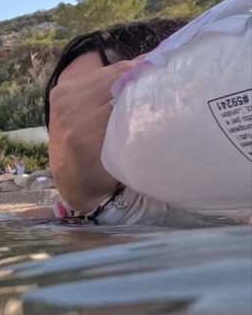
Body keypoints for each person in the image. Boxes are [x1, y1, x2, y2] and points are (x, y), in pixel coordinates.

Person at [43, 17, 191, 224]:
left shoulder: (233, 191)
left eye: (107, 101)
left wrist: (101, 208)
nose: (73, 134)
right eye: (64, 111)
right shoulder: (49, 222)